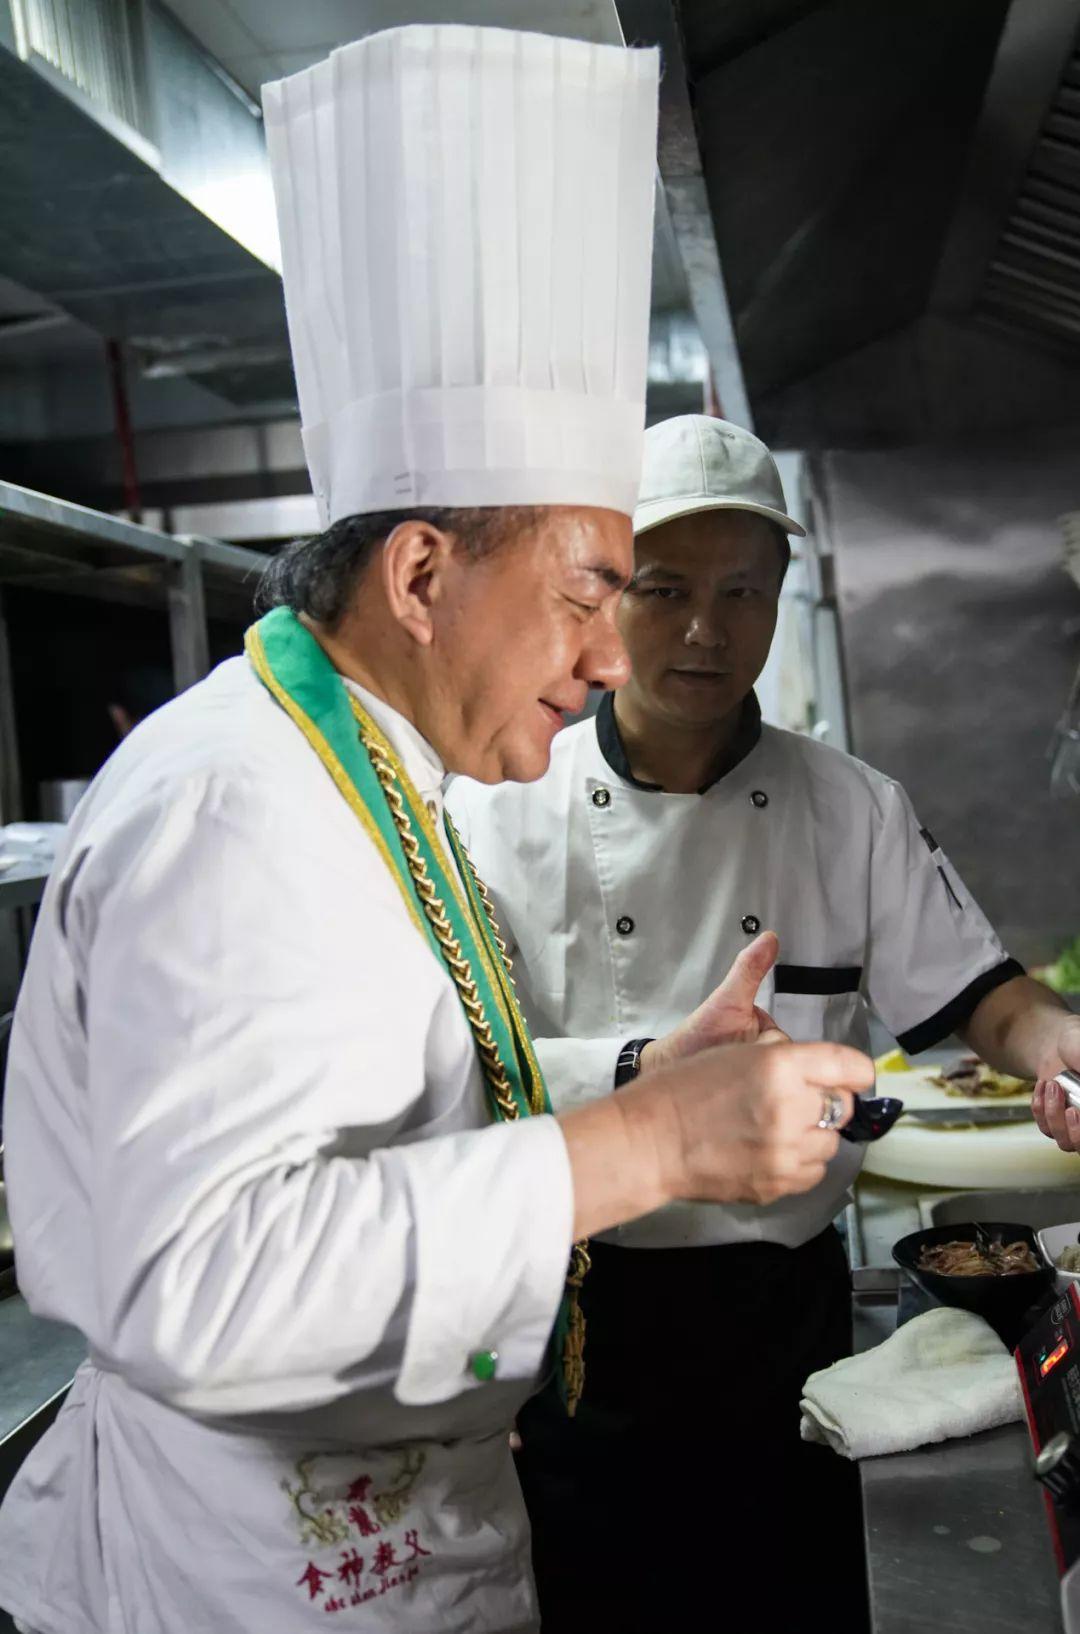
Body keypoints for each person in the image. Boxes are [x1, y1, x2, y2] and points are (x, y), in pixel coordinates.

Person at [0, 39, 872, 1634]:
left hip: (410, 1538)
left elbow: (393, 1100)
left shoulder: (378, 782)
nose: (620, 658)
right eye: (592, 592)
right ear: (419, 577)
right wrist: (657, 1149)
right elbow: (208, 1277)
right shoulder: (229, 812)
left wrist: (639, 1074)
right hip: (252, 1583)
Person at [447, 412, 1080, 1634]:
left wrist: (1055, 1042)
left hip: (780, 1327)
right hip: (573, 1316)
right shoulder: (502, 809)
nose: (704, 627)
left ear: (781, 595)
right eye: (665, 586)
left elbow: (989, 996)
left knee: (789, 1599)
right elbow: (462, 1071)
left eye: (743, 589)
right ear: (604, 594)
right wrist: (646, 1072)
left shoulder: (850, 807)